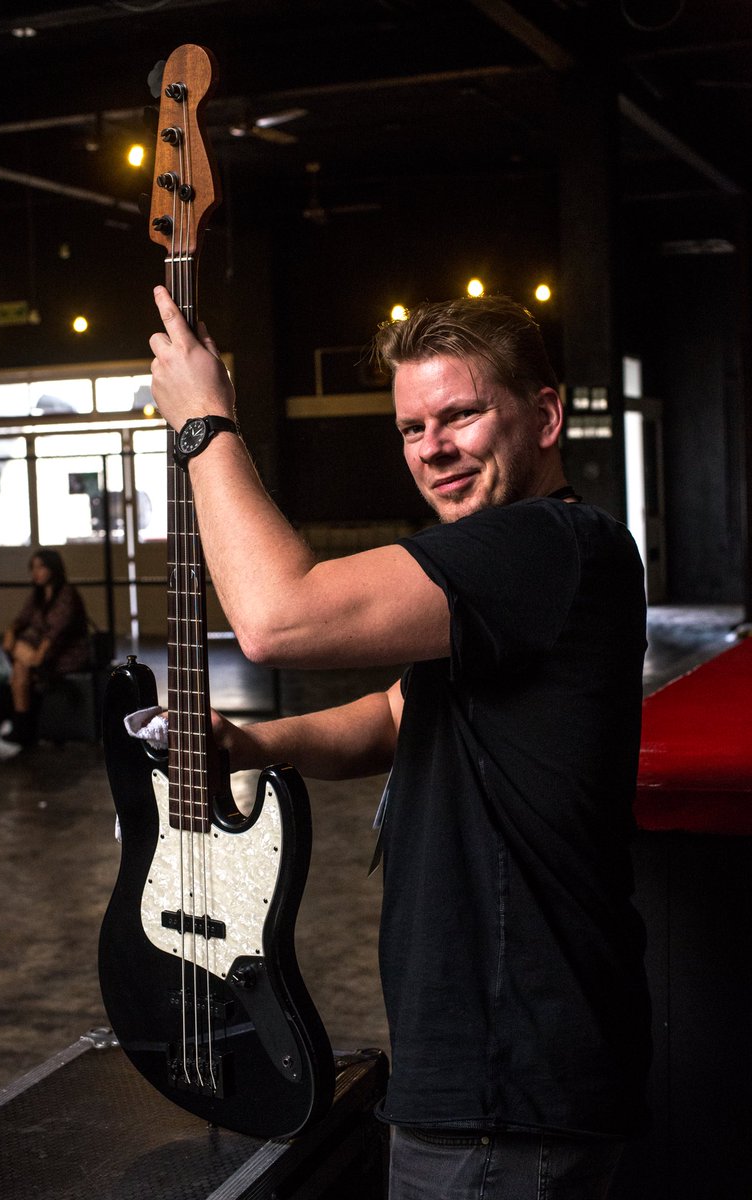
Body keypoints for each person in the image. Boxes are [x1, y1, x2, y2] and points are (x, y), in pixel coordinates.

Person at [149, 287, 651, 1200]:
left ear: (543, 415)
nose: (434, 448)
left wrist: (202, 422)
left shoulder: (547, 543)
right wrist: (252, 741)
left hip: (508, 1096)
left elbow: (273, 619)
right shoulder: (510, 575)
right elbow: (395, 715)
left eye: (460, 414)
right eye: (413, 427)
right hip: (493, 1083)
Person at [0, 548, 90, 752]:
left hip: (66, 653)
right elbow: (22, 619)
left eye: (41, 567)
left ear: (53, 568)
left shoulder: (66, 593)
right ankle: (23, 726)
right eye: (33, 568)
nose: (36, 572)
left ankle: (21, 725)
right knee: (21, 664)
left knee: (20, 663)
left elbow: (56, 631)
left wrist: (38, 655)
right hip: (42, 653)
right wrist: (11, 633)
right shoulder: (37, 596)